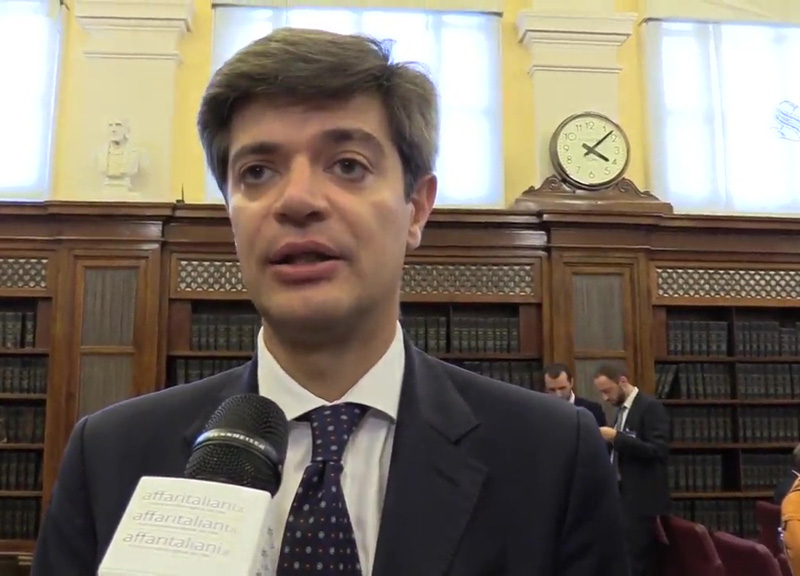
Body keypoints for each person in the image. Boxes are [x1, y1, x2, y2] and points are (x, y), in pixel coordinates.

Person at [32, 28, 629, 576]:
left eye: (347, 165)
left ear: (417, 208)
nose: (297, 201)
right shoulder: (110, 457)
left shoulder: (551, 455)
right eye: (257, 172)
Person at [594, 363, 670, 576]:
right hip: (622, 499)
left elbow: (658, 450)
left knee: (636, 564)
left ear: (623, 381)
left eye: (607, 391)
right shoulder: (621, 411)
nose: (605, 398)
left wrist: (616, 437)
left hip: (642, 503)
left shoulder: (650, 407)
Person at [544, 362, 607, 426]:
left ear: (571, 382)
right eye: (552, 390)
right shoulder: (542, 413)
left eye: (562, 388)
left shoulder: (593, 410)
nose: (558, 394)